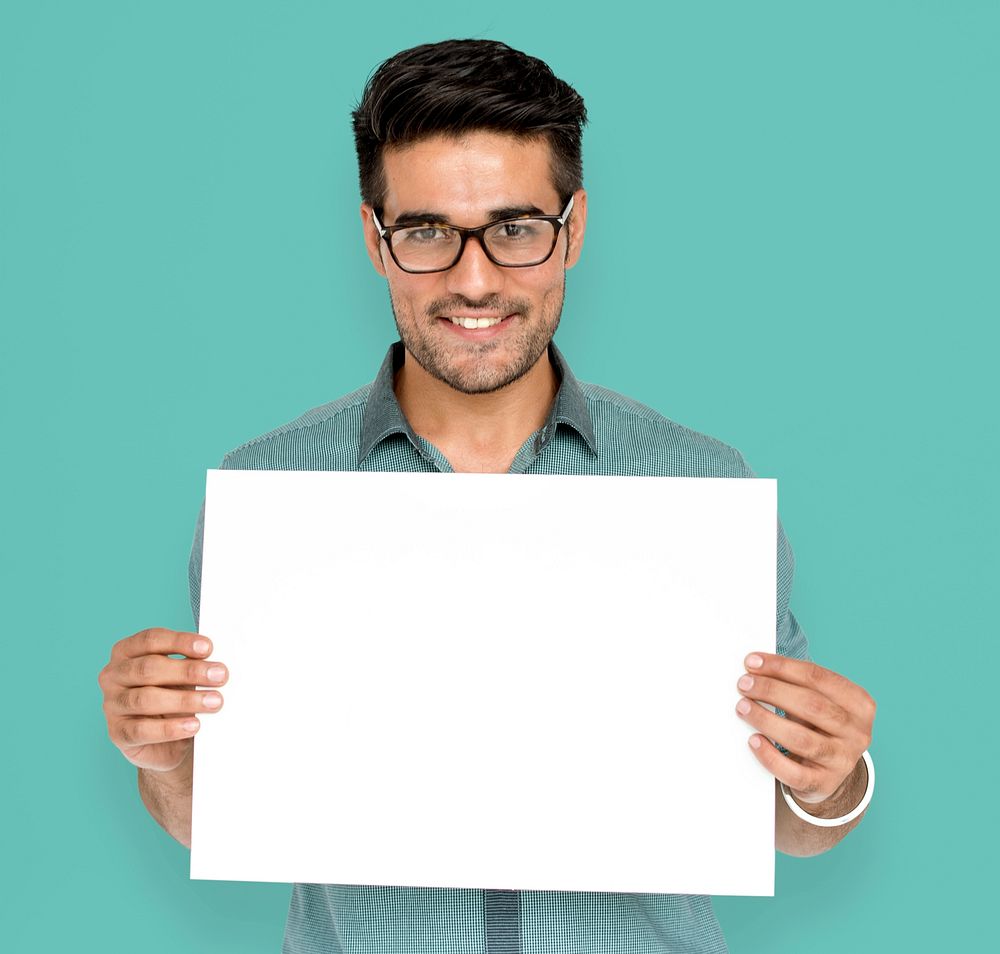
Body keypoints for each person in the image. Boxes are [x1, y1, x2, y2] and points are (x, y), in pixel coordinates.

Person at [98, 38, 877, 954]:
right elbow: (225, 813)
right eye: (427, 231)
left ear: (574, 230)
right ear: (373, 238)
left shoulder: (702, 486)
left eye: (515, 228)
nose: (474, 281)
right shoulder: (271, 492)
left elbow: (781, 821)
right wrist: (161, 760)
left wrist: (831, 782)